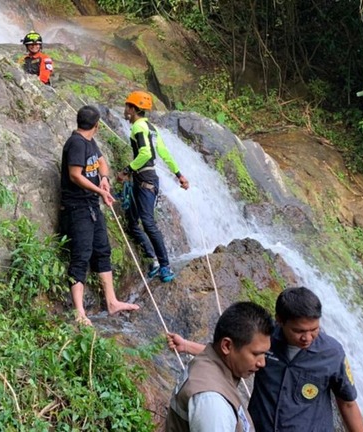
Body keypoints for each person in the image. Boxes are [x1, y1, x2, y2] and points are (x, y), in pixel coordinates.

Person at [168, 287, 363, 432]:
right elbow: (234, 353)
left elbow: (348, 403)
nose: (307, 338)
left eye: (314, 330)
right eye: (299, 331)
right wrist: (187, 346)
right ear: (280, 321)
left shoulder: (332, 353)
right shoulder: (265, 341)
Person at [59, 105, 140, 325]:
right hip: (77, 209)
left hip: (92, 207)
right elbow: (75, 175)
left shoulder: (89, 142)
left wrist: (103, 178)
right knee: (81, 256)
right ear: (97, 125)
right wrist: (100, 190)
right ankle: (79, 312)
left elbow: (101, 162)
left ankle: (112, 301)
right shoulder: (76, 143)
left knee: (102, 251)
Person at [165, 301, 274, 432]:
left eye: (265, 354)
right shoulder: (213, 404)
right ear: (227, 346)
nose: (262, 363)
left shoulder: (207, 364)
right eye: (256, 354)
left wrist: (187, 346)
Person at [117, 90, 189, 283]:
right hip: (146, 180)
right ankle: (154, 259)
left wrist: (126, 170)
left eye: (127, 106)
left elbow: (146, 153)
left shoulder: (138, 128)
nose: (125, 110)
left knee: (147, 223)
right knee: (132, 222)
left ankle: (165, 265)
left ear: (133, 109)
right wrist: (179, 175)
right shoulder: (151, 129)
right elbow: (164, 154)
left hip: (145, 181)